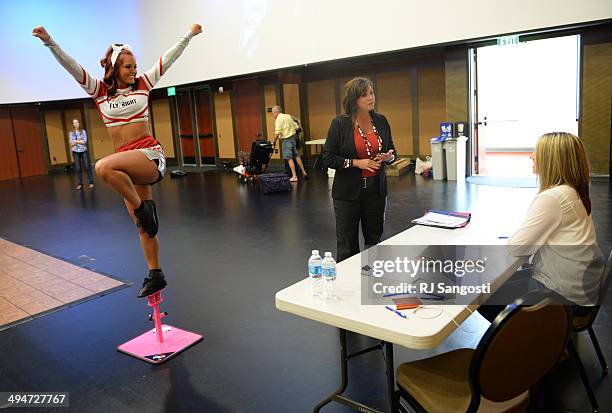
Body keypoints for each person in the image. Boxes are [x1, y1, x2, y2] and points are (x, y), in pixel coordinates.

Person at [33, 24, 203, 298]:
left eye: (135, 66)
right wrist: (49, 41)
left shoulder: (144, 85)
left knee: (103, 166)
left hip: (149, 157)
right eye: (127, 67)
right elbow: (71, 65)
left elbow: (169, 58)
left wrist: (189, 35)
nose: (134, 70)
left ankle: (142, 208)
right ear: (115, 68)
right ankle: (155, 273)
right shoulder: (100, 92)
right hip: (128, 168)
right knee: (143, 227)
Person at [479, 132, 605, 321]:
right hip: (580, 290)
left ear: (551, 159)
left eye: (536, 152)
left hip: (562, 297)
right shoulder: (573, 191)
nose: (531, 156)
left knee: (479, 296)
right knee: (496, 285)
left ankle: (532, 341)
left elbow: (517, 247)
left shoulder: (553, 197)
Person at [322, 77, 397, 262]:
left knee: (374, 240)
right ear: (354, 99)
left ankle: (371, 281)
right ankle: (348, 286)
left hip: (376, 191)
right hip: (347, 193)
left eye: (371, 93)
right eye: (364, 95)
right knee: (348, 245)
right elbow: (328, 158)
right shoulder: (340, 123)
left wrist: (389, 157)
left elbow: (393, 150)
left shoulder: (381, 120)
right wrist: (357, 163)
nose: (370, 98)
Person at [271, 106, 307, 182]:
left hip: (286, 140)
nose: (273, 115)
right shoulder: (288, 116)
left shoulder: (279, 119)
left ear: (276, 112)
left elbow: (278, 132)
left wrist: (273, 141)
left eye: (273, 113)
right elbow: (297, 127)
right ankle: (304, 172)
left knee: (289, 158)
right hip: (293, 138)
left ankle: (294, 176)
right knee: (297, 155)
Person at [69, 119, 95, 190]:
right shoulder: (71, 133)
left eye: (77, 122)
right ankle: (80, 184)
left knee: (87, 166)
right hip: (75, 151)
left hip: (83, 150)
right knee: (78, 168)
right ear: (73, 124)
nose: (76, 124)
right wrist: (79, 141)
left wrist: (76, 141)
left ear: (79, 123)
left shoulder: (83, 131)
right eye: (74, 123)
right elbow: (71, 143)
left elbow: (84, 141)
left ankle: (91, 182)